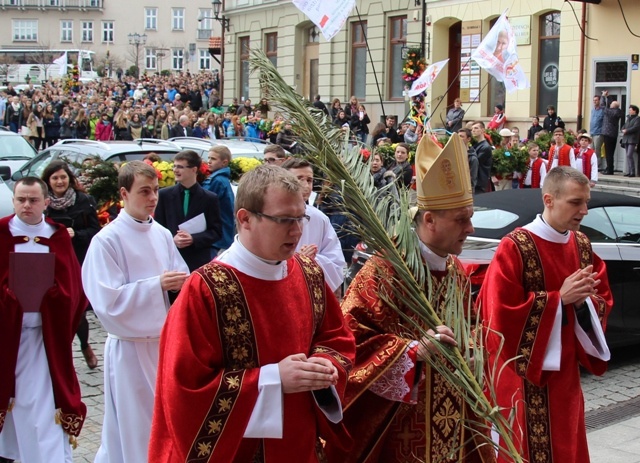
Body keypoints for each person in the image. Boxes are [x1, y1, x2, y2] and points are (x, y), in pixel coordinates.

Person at [148, 165, 356, 462]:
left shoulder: (308, 273)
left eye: (300, 218)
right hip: (239, 450)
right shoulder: (206, 289)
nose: (297, 230)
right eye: (284, 220)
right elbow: (183, 390)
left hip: (300, 442)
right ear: (245, 219)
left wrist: (322, 364)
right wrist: (272, 379)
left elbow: (336, 336)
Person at [329, 134, 494, 463]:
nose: (471, 228)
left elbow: (473, 326)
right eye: (461, 219)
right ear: (429, 220)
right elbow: (348, 341)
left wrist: (474, 348)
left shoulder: (456, 272)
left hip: (454, 422)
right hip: (401, 429)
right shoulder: (385, 272)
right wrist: (412, 351)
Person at [479, 166, 612, 462]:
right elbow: (499, 313)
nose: (584, 211)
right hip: (525, 377)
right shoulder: (515, 246)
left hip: (565, 376)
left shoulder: (582, 246)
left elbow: (601, 299)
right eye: (576, 202)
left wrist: (582, 304)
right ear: (549, 200)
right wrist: (557, 300)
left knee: (566, 443)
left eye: (586, 201)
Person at [82, 161, 189, 463]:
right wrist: (156, 286)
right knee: (134, 428)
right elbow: (107, 302)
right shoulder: (107, 240)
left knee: (165, 422)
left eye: (155, 190)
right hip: (129, 350)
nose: (153, 198)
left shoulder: (162, 234)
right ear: (124, 194)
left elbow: (180, 282)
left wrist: (181, 286)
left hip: (162, 346)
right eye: (144, 191)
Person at [0, 177, 87, 463]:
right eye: (21, 199)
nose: (26, 205)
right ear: (13, 201)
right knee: (15, 402)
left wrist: (55, 297)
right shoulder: (1, 234)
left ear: (45, 203)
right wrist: (8, 297)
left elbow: (75, 289)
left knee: (42, 405)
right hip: (8, 340)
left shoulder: (58, 236)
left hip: (45, 341)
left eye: (33, 200)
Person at [42, 160, 100, 369]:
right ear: (48, 181)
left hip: (77, 260)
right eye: (55, 178)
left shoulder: (84, 201)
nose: (59, 181)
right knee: (54, 309)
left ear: (70, 179)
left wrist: (76, 234)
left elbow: (96, 231)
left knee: (78, 309)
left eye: (63, 177)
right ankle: (60, 354)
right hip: (51, 262)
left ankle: (85, 345)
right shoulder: (42, 203)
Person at [282, 158, 346, 292]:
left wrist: (311, 261)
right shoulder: (272, 216)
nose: (305, 186)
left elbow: (336, 264)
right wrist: (296, 260)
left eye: (309, 180)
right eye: (299, 179)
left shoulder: (319, 219)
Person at [155, 150, 222, 272]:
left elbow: (216, 232)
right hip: (171, 260)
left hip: (197, 261)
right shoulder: (164, 195)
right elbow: (157, 228)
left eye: (180, 167)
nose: (175, 170)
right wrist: (172, 239)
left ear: (194, 170)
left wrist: (193, 239)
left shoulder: (210, 198)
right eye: (174, 166)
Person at [203, 145, 236, 256]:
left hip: (218, 238)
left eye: (213, 159)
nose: (209, 161)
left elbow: (204, 204)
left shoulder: (217, 181)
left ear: (224, 162)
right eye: (208, 158)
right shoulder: (219, 179)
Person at [600, 91, 624, 175]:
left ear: (612, 106)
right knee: (611, 153)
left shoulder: (609, 112)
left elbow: (602, 106)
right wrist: (609, 96)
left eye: (611, 105)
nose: (609, 105)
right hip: (614, 134)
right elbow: (612, 105)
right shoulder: (618, 111)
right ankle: (609, 168)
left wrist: (603, 96)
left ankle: (609, 170)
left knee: (608, 153)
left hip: (607, 134)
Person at [471, 120, 493, 193]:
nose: (473, 130)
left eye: (476, 128)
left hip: (480, 183)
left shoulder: (485, 147)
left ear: (482, 130)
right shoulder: (476, 145)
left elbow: (475, 162)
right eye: (472, 129)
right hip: (475, 181)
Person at [620, 104, 640, 177]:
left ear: (635, 111)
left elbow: (636, 127)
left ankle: (632, 171)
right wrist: (623, 130)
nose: (629, 111)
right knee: (628, 156)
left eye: (630, 110)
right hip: (626, 139)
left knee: (629, 155)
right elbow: (623, 126)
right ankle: (629, 171)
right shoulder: (628, 118)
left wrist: (627, 130)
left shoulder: (637, 119)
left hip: (632, 139)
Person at [590, 94, 605, 170]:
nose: (595, 102)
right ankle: (592, 164)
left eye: (596, 100)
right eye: (594, 100)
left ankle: (598, 166)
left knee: (597, 150)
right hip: (592, 132)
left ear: (599, 101)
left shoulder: (602, 110)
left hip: (599, 133)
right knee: (591, 150)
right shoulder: (593, 110)